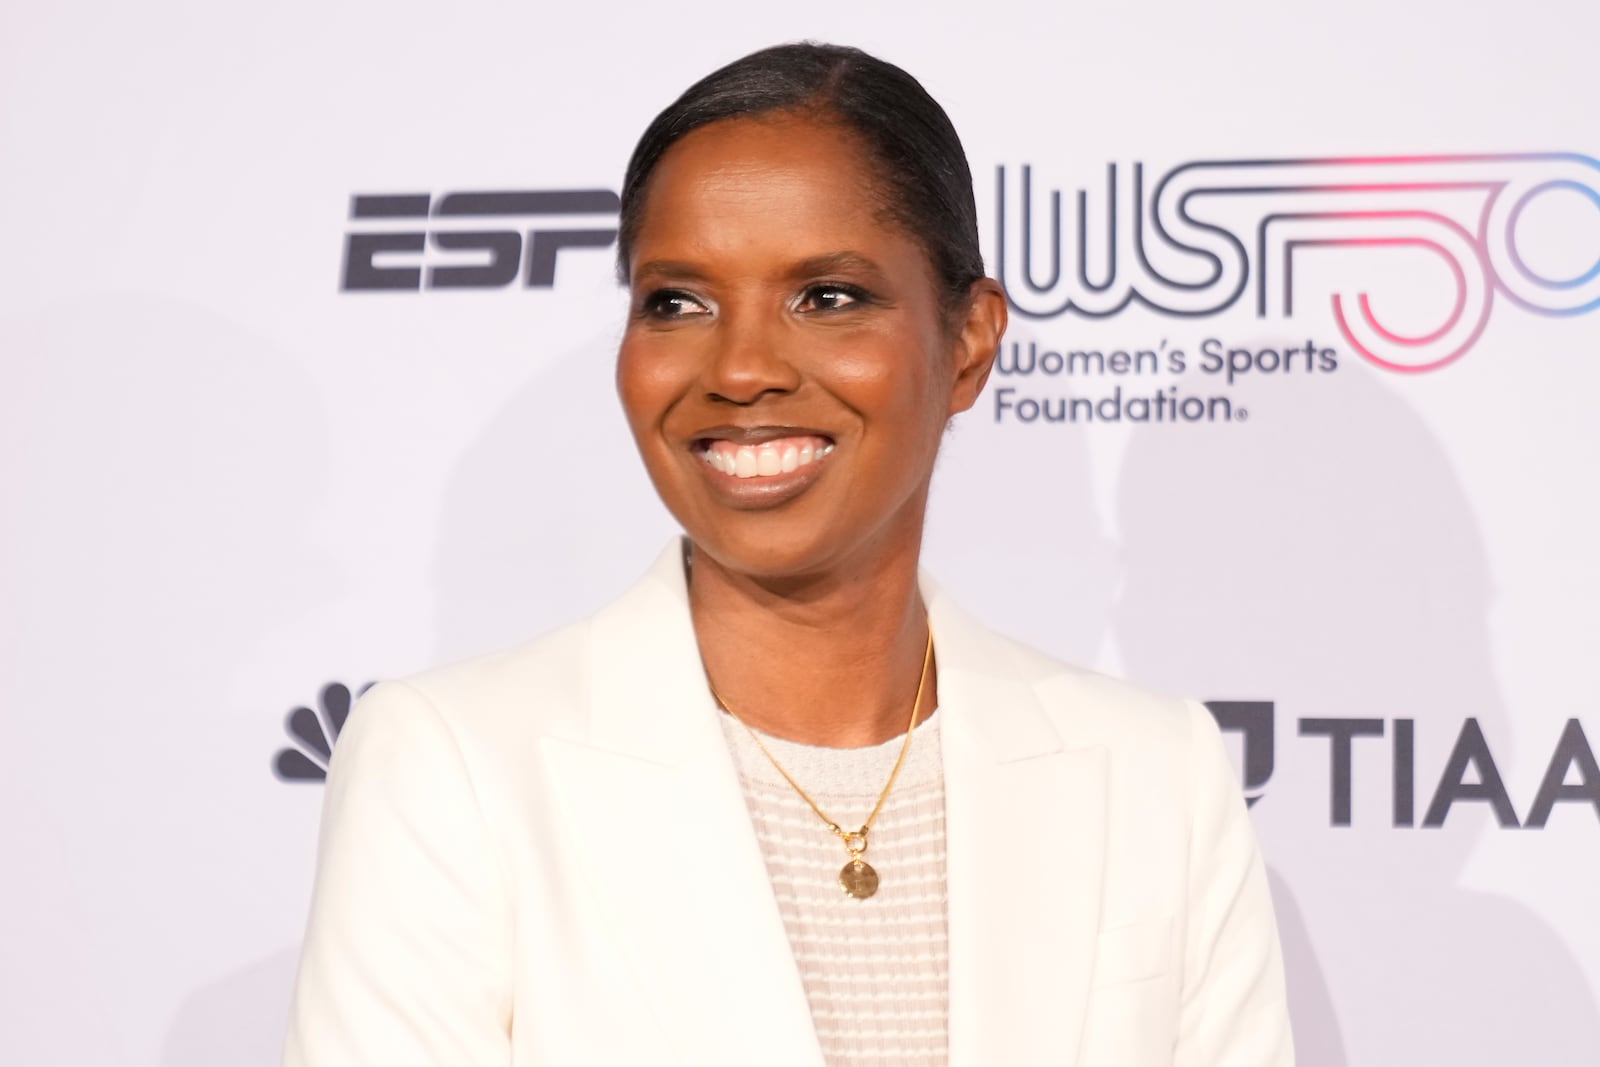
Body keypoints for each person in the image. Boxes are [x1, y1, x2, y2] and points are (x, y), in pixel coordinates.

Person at [282, 42, 1294, 1067]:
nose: (744, 367)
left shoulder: (1156, 772)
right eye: (678, 301)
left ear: (969, 342)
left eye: (827, 296)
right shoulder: (453, 766)